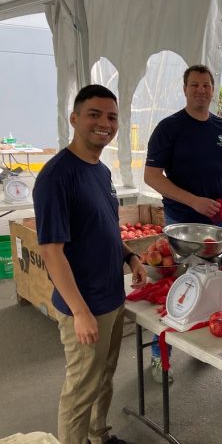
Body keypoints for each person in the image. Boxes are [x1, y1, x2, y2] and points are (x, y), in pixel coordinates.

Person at [34, 85, 147, 444]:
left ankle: (99, 435)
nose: (104, 123)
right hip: (84, 305)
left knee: (105, 374)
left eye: (111, 117)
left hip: (111, 295)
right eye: (94, 114)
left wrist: (129, 256)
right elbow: (52, 250)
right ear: (75, 118)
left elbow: (105, 228)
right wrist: (80, 311)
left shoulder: (99, 170)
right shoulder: (56, 177)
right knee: (81, 387)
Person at [144, 64, 222, 382]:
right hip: (182, 223)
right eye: (194, 85)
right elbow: (151, 176)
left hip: (218, 224)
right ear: (185, 88)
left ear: (212, 89)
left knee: (212, 286)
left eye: (206, 85)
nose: (201, 90)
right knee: (175, 289)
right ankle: (159, 354)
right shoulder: (170, 127)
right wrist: (192, 201)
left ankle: (199, 344)